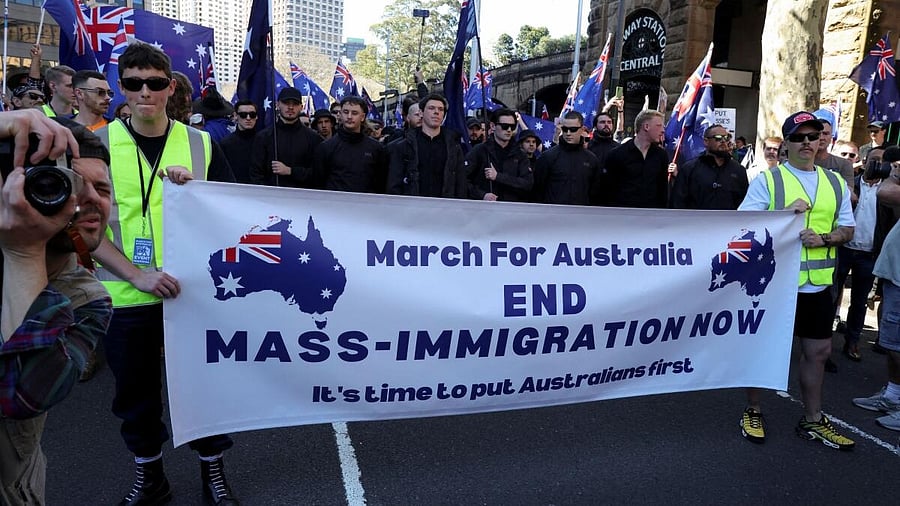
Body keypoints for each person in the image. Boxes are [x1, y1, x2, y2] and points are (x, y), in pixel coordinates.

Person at [92, 42, 239, 505]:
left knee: (201, 389)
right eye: (134, 84)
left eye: (155, 83)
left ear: (169, 87)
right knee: (135, 397)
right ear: (121, 87)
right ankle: (150, 477)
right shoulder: (96, 142)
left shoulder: (200, 143)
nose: (145, 93)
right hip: (126, 293)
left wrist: (199, 194)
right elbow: (81, 227)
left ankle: (212, 472)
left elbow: (234, 215)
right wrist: (136, 275)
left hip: (191, 295)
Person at [0, 111, 113, 506]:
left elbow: (22, 395)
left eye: (103, 188)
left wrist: (23, 251)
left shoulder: (88, 299)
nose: (92, 201)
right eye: (68, 185)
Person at [737, 111, 855, 450]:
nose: (807, 142)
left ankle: (813, 420)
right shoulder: (769, 180)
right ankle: (753, 409)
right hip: (773, 283)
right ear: (786, 144)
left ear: (822, 140)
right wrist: (786, 213)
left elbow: (848, 229)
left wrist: (826, 238)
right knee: (765, 349)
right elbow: (743, 225)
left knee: (817, 352)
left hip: (817, 286)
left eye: (813, 136)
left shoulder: (834, 183)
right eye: (799, 137)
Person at [852, 149, 900, 431]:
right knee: (893, 344)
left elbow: (886, 193)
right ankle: (893, 396)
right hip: (894, 274)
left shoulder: (893, 182)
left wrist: (895, 172)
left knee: (898, 347)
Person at [833, 145, 887, 362]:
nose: (878, 165)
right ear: (864, 162)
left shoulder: (889, 190)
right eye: (874, 160)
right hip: (844, 248)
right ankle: (823, 342)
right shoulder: (849, 183)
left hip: (868, 254)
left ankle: (852, 341)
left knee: (859, 300)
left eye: (882, 161)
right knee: (832, 294)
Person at [386, 93, 466, 197]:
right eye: (431, 108)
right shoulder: (403, 146)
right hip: (412, 207)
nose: (436, 112)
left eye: (441, 109)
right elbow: (394, 184)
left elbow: (460, 183)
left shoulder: (454, 147)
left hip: (445, 208)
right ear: (421, 112)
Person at [250, 87, 323, 188]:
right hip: (271, 198)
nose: (290, 107)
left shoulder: (313, 138)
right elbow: (256, 174)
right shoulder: (264, 137)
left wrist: (291, 171)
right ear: (277, 104)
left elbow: (318, 174)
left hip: (303, 198)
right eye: (286, 103)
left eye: (295, 104)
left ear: (301, 107)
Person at [313, 96, 388, 193]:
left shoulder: (376, 148)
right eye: (345, 112)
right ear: (340, 115)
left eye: (354, 113)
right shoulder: (326, 147)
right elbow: (318, 182)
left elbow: (381, 183)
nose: (349, 116)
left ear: (362, 117)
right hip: (334, 204)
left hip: (366, 204)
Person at [670, 124, 749, 210]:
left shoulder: (738, 170)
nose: (723, 141)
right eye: (718, 138)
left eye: (726, 138)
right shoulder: (689, 169)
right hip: (696, 222)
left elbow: (745, 203)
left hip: (728, 222)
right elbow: (678, 202)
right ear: (706, 141)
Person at [532, 111, 603, 205]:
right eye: (565, 129)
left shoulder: (591, 160)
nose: (568, 133)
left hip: (581, 214)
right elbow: (537, 190)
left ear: (582, 129)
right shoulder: (548, 157)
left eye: (573, 129)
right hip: (553, 215)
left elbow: (595, 193)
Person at [604, 109, 670, 208]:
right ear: (646, 127)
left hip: (652, 216)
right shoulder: (617, 155)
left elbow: (663, 189)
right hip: (623, 215)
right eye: (659, 126)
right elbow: (608, 189)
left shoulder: (661, 155)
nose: (663, 130)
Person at [465, 108, 532, 202]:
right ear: (492, 126)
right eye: (505, 126)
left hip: (512, 209)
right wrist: (482, 195)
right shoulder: (479, 151)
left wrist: (498, 177)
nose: (509, 130)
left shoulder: (520, 155)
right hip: (483, 210)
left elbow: (527, 184)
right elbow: (463, 180)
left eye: (512, 127)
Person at [220, 100, 258, 183]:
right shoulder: (226, 144)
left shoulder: (264, 142)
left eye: (252, 115)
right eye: (243, 115)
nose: (248, 118)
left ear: (256, 117)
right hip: (234, 190)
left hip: (260, 191)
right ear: (235, 116)